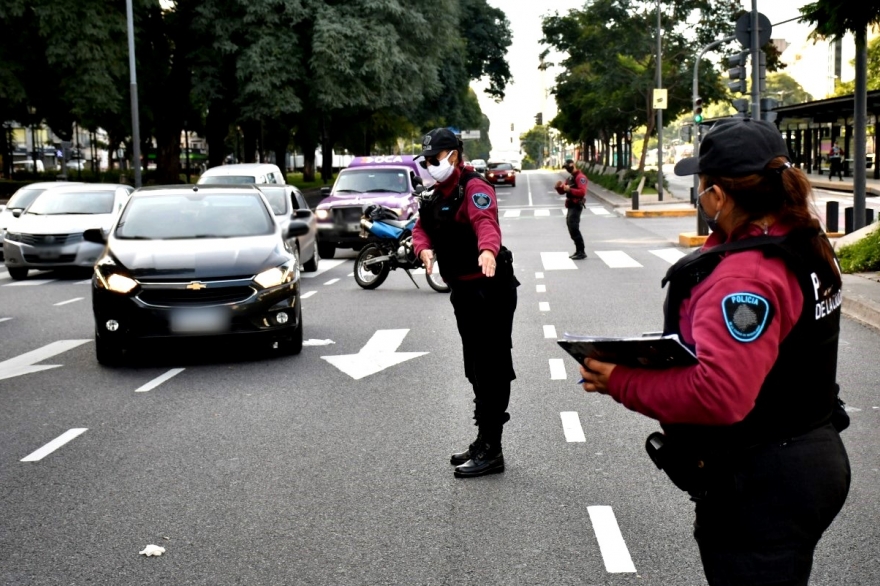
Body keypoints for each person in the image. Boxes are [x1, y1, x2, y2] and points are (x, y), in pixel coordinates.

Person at [577, 118, 850, 586]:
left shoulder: (746, 277)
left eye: (701, 187)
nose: (699, 197)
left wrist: (619, 380)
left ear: (719, 196)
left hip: (764, 482)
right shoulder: (802, 238)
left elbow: (721, 394)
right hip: (806, 455)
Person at [412, 127, 520, 478]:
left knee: (491, 367)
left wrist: (488, 251)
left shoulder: (473, 188)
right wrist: (424, 249)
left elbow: (485, 223)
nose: (430, 165)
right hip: (463, 291)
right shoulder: (433, 195)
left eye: (435, 159)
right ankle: (482, 439)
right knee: (474, 367)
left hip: (490, 290)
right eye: (426, 160)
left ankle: (493, 449)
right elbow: (421, 229)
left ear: (453, 156)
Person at [555, 159, 588, 259]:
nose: (567, 169)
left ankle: (581, 251)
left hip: (576, 205)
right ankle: (578, 250)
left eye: (568, 167)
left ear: (573, 165)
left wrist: (570, 189)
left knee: (574, 227)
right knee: (571, 227)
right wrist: (559, 187)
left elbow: (582, 192)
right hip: (570, 205)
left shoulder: (580, 177)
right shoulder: (570, 178)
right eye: (565, 168)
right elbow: (563, 191)